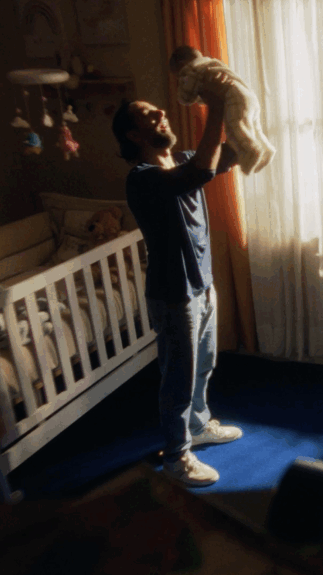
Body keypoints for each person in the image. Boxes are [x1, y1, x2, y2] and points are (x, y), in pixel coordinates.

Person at [111, 75, 243, 487]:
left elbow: (232, 152)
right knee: (179, 380)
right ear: (134, 135)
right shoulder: (142, 177)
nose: (161, 113)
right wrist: (215, 106)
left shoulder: (184, 159)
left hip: (203, 285)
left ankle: (198, 427)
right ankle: (176, 456)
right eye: (149, 115)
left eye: (159, 110)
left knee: (204, 365)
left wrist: (239, 102)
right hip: (173, 295)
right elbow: (200, 171)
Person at [168, 45, 276, 175]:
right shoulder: (212, 64)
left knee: (235, 128)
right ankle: (267, 150)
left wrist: (182, 96)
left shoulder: (192, 70)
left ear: (181, 65)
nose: (180, 79)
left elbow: (186, 96)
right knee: (255, 128)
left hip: (233, 98)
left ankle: (250, 151)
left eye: (178, 76)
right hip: (248, 96)